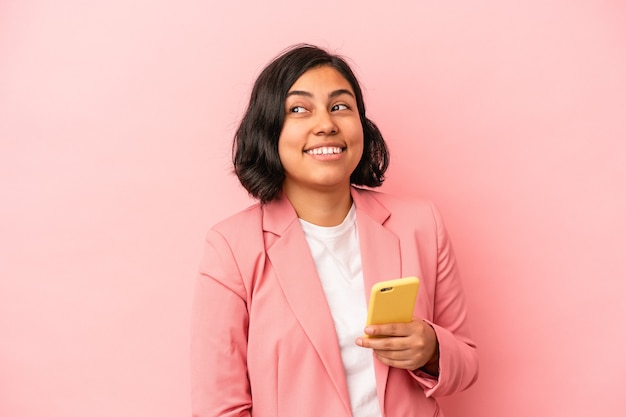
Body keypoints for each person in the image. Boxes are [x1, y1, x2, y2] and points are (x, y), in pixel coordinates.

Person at [191, 44, 478, 417]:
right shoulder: (232, 246)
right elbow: (219, 407)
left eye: (340, 106)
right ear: (269, 131)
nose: (326, 124)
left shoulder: (421, 224)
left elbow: (466, 362)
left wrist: (432, 350)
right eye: (299, 109)